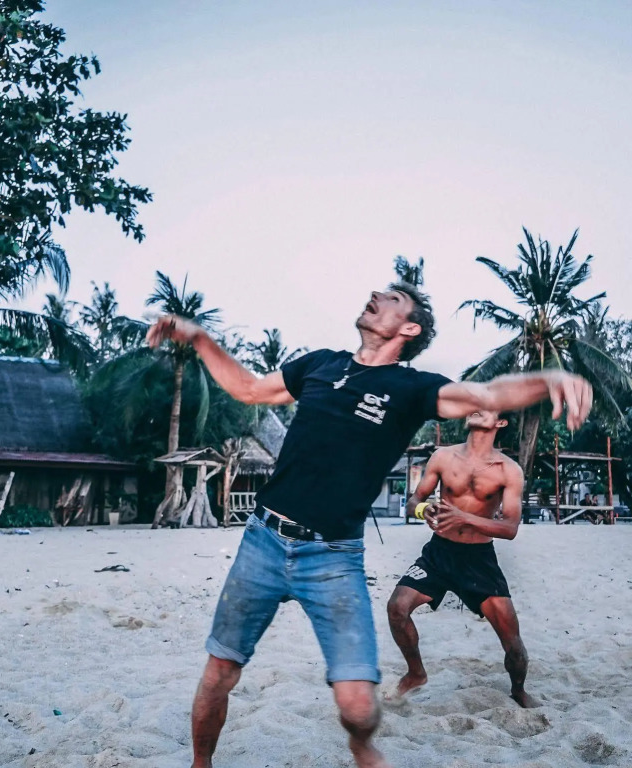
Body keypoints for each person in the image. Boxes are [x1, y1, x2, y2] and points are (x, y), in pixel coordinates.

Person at [146, 283, 591, 768]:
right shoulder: (320, 364)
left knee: (359, 708)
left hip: (334, 558)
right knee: (219, 673)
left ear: (409, 328)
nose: (377, 293)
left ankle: (362, 747)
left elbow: (486, 393)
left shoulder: (411, 389)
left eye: (394, 298)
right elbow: (249, 389)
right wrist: (199, 338)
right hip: (263, 541)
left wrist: (548, 378)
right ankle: (201, 763)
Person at [387, 410, 536, 707]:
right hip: (439, 553)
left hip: (479, 560)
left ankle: (518, 690)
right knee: (397, 608)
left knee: (513, 646)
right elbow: (414, 501)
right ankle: (416, 673)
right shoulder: (443, 457)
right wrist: (423, 510)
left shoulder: (509, 470)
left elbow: (510, 528)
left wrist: (463, 517)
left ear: (500, 423)